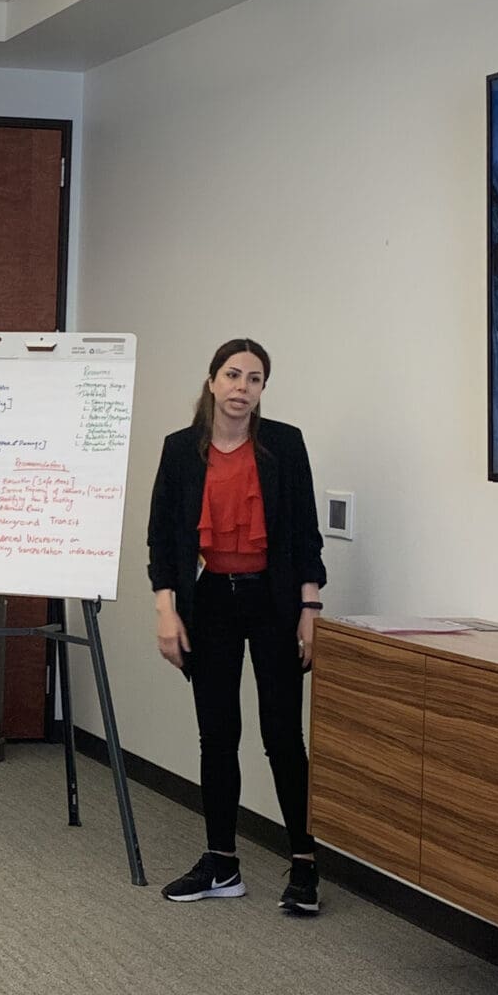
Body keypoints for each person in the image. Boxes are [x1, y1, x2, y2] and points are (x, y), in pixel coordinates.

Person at [147, 338, 326, 917]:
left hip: (274, 604)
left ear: (262, 390)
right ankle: (221, 862)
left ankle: (304, 863)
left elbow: (303, 533)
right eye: (232, 375)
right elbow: (163, 540)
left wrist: (310, 607)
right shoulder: (180, 451)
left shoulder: (284, 445)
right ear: (211, 381)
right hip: (211, 604)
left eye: (254, 379)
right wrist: (165, 610)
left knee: (282, 738)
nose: (242, 388)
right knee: (217, 736)